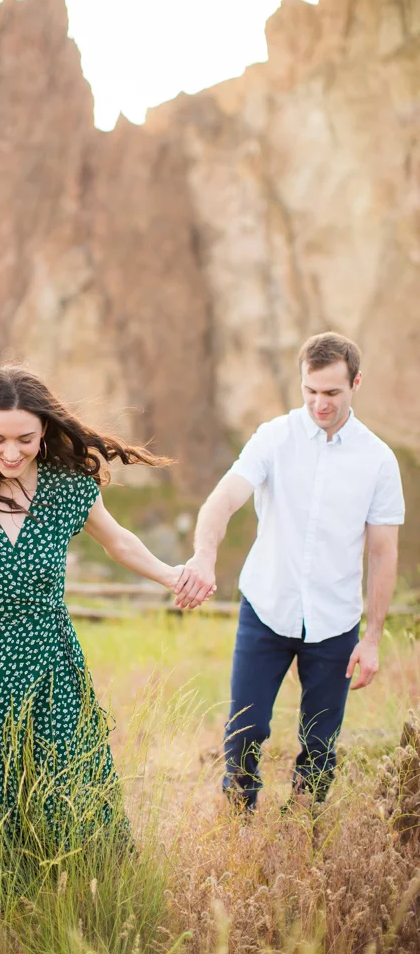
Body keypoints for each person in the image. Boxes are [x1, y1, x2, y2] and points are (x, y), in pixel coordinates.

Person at [0, 365, 209, 916]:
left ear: (44, 431)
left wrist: (175, 575)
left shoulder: (69, 490)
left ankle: (97, 906)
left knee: (76, 792)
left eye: (25, 439)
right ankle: (10, 922)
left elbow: (120, 543)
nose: (11, 451)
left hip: (54, 670)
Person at [173, 332, 405, 811]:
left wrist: (373, 638)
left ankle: (302, 838)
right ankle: (237, 831)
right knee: (244, 731)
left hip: (336, 623)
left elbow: (383, 554)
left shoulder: (379, 460)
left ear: (355, 383)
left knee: (320, 745)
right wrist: (203, 554)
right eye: (310, 390)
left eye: (332, 393)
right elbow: (224, 498)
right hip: (266, 611)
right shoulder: (273, 438)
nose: (319, 403)